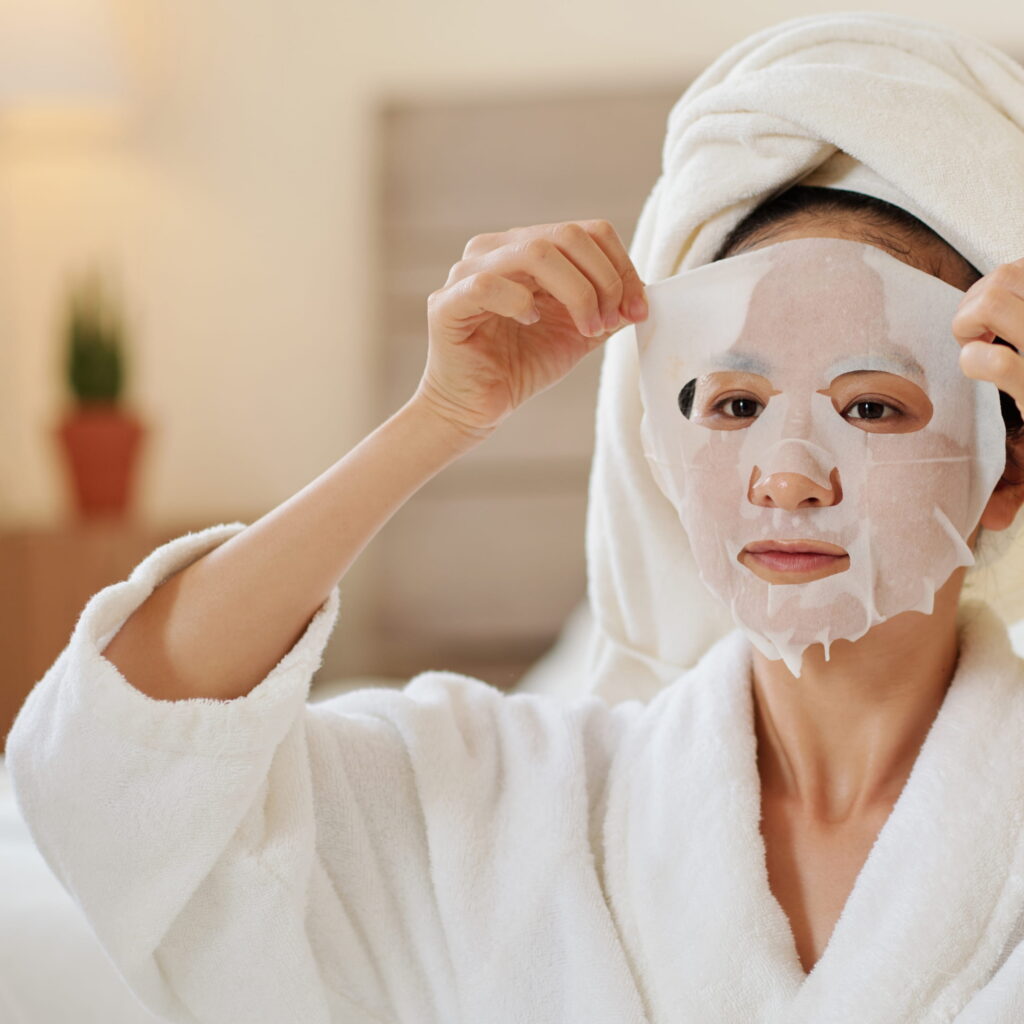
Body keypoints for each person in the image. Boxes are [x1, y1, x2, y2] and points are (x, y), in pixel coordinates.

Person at [8, 11, 1024, 1023]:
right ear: (666, 456)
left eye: (873, 405)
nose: (786, 477)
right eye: (735, 405)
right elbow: (107, 778)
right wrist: (436, 418)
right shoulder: (498, 799)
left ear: (1003, 470)